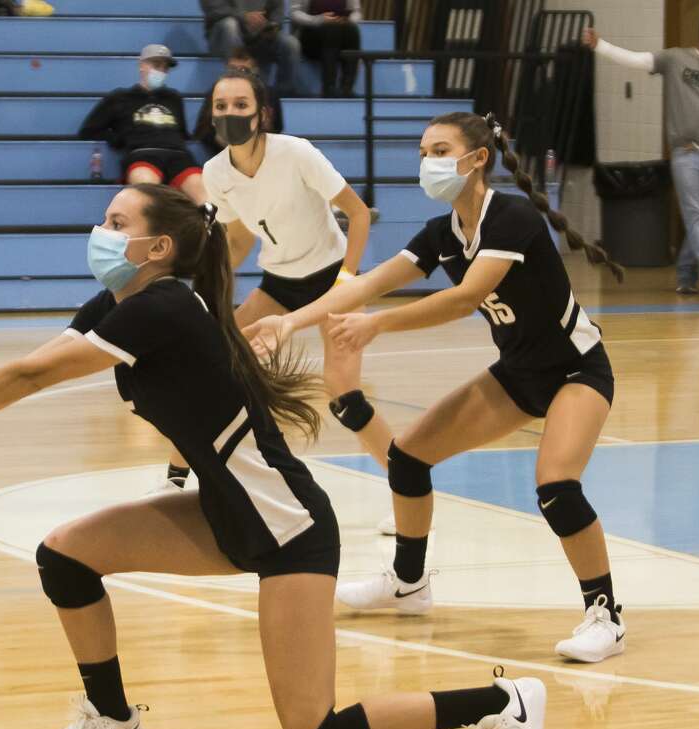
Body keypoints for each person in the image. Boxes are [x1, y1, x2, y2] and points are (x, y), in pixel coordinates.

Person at [0, 183, 549, 729]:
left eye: (115, 221)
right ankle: (112, 722)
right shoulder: (124, 299)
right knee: (67, 557)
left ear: (158, 246)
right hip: (228, 512)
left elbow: (31, 378)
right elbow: (38, 362)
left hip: (288, 531)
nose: (100, 233)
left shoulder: (161, 308)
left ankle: (502, 704)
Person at [245, 111, 630, 663]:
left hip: (576, 371)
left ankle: (605, 615)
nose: (428, 162)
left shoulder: (512, 219)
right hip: (519, 374)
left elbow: (465, 298)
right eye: (424, 151)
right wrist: (289, 321)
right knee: (407, 458)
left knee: (556, 487)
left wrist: (378, 324)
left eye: (441, 150)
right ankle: (408, 582)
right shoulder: (442, 234)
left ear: (477, 160)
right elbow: (368, 284)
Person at [151, 70, 383, 503]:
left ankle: (401, 485)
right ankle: (175, 479)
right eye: (221, 106)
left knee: (344, 395)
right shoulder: (216, 172)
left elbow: (359, 214)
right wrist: (209, 297)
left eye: (241, 105)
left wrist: (347, 284)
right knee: (211, 365)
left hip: (334, 279)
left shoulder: (297, 153)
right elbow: (236, 240)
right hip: (280, 284)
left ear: (262, 114)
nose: (230, 113)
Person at [583, 13, 699, 297]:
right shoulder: (676, 59)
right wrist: (600, 46)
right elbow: (638, 60)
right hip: (688, 154)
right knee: (697, 217)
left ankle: (685, 274)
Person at [79, 45, 206, 204]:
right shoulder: (120, 97)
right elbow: (88, 130)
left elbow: (182, 132)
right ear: (142, 65)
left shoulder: (174, 98)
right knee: (148, 196)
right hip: (143, 155)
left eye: (165, 67)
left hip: (179, 155)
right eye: (156, 65)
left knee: (206, 199)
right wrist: (117, 139)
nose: (161, 71)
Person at [194, 48, 285, 159]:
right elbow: (201, 133)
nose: (237, 75)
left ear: (255, 71)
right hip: (221, 155)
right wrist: (220, 140)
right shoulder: (216, 93)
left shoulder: (270, 94)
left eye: (244, 70)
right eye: (232, 70)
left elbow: (277, 129)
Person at [202, 0, 302, 97]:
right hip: (223, 35)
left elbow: (277, 8)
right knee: (229, 25)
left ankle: (281, 96)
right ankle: (242, 86)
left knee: (291, 43)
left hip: (259, 33)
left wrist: (272, 25)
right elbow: (215, 9)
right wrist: (243, 16)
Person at [290, 0, 362, 98]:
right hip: (311, 34)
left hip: (342, 30)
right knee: (331, 29)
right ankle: (329, 88)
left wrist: (348, 21)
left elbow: (356, 12)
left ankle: (347, 88)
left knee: (353, 30)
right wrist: (318, 19)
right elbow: (295, 13)